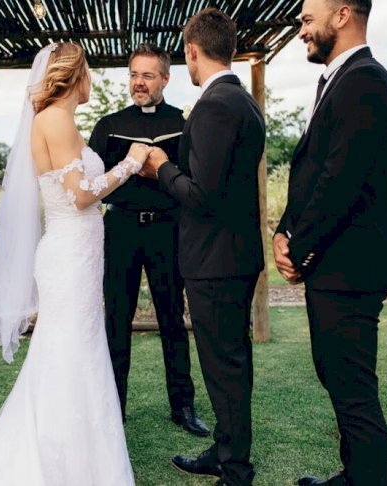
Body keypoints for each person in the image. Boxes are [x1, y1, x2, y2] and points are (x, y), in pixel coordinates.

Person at [0, 42, 150, 485]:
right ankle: (64, 462)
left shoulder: (57, 120)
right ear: (74, 76)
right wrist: (130, 164)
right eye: (88, 72)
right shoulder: (57, 119)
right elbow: (79, 195)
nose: (92, 81)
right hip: (70, 254)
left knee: (75, 349)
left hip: (75, 252)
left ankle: (81, 455)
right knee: (72, 351)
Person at [273, 1, 387, 485]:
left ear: (343, 15)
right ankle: (355, 475)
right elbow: (312, 172)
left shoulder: (365, 82)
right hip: (335, 264)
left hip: (349, 267)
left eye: (308, 19)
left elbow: (339, 182)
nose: (301, 28)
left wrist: (299, 248)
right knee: (337, 376)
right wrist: (284, 231)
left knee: (353, 390)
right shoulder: (339, 81)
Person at [141, 8, 266, 486]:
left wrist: (161, 166)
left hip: (216, 260)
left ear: (192, 51)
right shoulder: (244, 101)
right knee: (230, 362)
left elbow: (202, 195)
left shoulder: (215, 105)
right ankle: (226, 448)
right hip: (233, 256)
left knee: (224, 365)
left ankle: (235, 468)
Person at [88, 43, 209, 437]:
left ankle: (183, 405)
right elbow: (93, 181)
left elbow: (193, 178)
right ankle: (113, 406)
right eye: (134, 75)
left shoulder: (184, 121)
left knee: (173, 318)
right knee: (115, 319)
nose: (139, 83)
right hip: (120, 229)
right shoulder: (108, 125)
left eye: (148, 76)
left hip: (168, 229)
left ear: (165, 79)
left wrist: (161, 169)